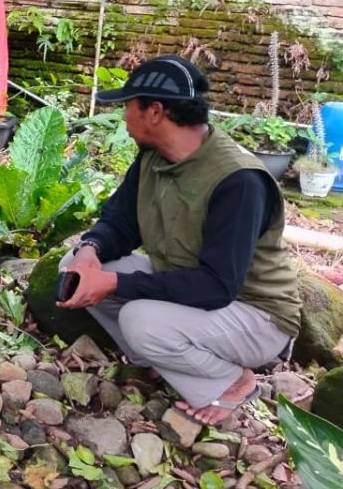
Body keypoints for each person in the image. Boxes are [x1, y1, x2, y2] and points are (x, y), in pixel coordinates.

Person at [57, 55, 301, 426]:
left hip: (256, 313)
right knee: (73, 266)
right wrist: (90, 252)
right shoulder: (153, 157)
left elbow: (217, 285)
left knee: (140, 318)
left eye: (128, 106)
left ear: (155, 111)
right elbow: (121, 223)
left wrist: (116, 283)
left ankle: (233, 382)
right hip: (193, 286)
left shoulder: (239, 182)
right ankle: (163, 360)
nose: (123, 117)